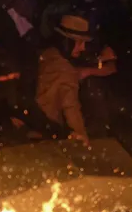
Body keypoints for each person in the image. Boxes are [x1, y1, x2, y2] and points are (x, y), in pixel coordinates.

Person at [36, 14, 92, 145]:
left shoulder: (47, 54)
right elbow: (70, 106)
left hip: (32, 129)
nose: (83, 47)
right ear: (67, 42)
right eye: (79, 42)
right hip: (48, 136)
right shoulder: (65, 69)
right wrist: (82, 135)